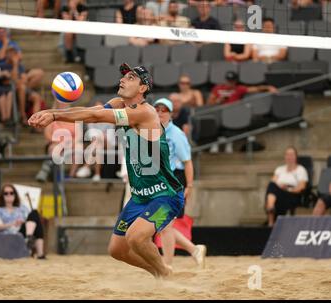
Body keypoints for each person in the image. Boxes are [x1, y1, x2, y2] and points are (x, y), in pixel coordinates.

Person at [29, 63, 184, 278]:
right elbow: (93, 111)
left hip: (165, 195)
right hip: (140, 196)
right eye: (123, 76)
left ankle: (164, 273)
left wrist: (54, 115)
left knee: (136, 238)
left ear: (142, 88)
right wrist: (54, 112)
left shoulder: (145, 112)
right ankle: (160, 271)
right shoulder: (119, 103)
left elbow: (95, 118)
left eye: (130, 77)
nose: (122, 79)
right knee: (117, 250)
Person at [153, 98, 206, 268]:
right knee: (162, 225)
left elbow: (187, 161)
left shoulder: (176, 134)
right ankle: (194, 250)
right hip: (159, 180)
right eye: (158, 109)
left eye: (164, 110)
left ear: (171, 114)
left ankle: (167, 265)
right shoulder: (152, 132)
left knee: (165, 225)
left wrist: (189, 186)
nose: (160, 113)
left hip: (174, 180)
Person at [208, 71, 277, 154]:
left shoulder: (239, 89)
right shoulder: (218, 88)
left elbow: (255, 89)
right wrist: (218, 101)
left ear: (235, 81)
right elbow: (209, 103)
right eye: (228, 81)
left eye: (232, 81)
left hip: (234, 113)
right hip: (220, 112)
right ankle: (216, 142)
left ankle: (229, 142)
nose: (230, 83)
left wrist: (268, 87)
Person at [0, 184, 46, 258]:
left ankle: (29, 239)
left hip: (22, 231)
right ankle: (36, 248)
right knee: (35, 220)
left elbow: (31, 220)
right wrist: (13, 223)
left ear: (15, 194)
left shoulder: (22, 208)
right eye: (6, 193)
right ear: (2, 196)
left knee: (35, 213)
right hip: (9, 235)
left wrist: (22, 222)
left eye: (12, 193)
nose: (9, 195)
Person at [265, 147, 308, 227]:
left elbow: (301, 187)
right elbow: (272, 182)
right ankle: (271, 209)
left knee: (272, 192)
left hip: (292, 193)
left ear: (296, 156)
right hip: (278, 192)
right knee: (272, 186)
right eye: (287, 154)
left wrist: (288, 189)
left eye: (291, 154)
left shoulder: (301, 170)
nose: (289, 157)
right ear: (285, 156)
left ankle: (270, 218)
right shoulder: (279, 169)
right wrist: (281, 187)